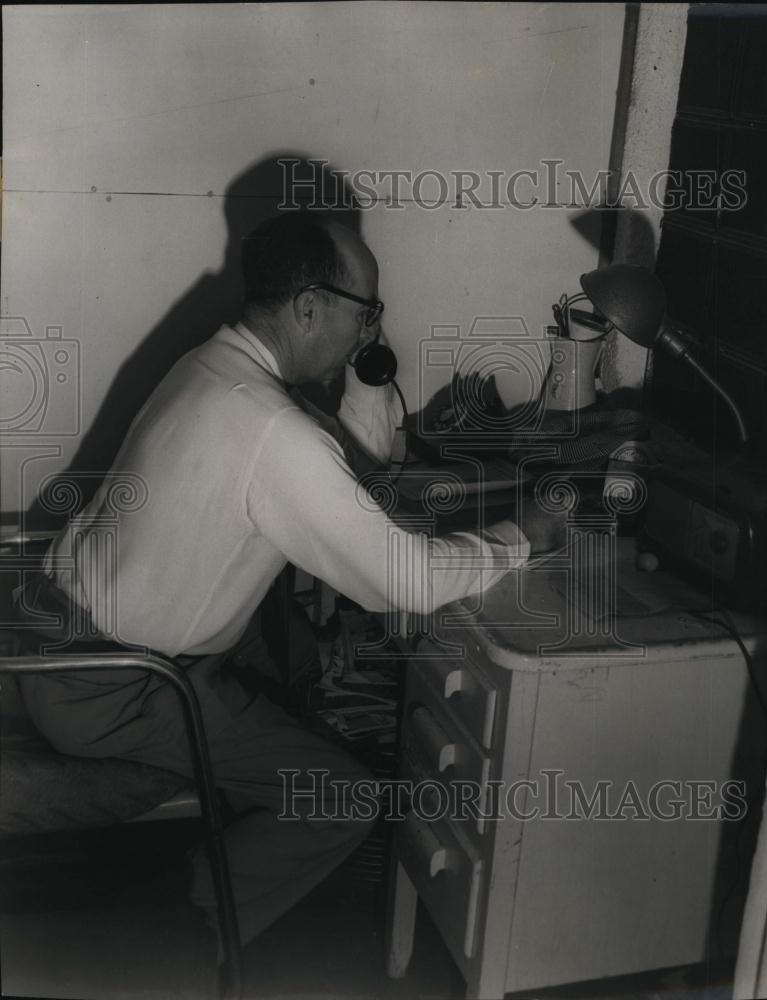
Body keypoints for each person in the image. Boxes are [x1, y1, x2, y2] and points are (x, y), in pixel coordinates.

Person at [15, 213, 558, 956]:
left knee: (295, 676)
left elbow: (335, 461)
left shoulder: (210, 364)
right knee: (346, 798)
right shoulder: (274, 430)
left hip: (60, 637)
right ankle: (166, 941)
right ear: (309, 307)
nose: (370, 332)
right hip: (113, 686)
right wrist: (525, 537)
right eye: (365, 311)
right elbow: (403, 581)